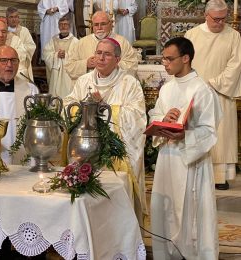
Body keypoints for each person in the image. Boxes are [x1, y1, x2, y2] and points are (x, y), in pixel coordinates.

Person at [149, 37, 221, 259]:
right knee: (165, 210)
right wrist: (163, 118)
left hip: (191, 163)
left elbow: (209, 132)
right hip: (167, 159)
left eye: (169, 59)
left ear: (186, 58)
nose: (165, 63)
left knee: (191, 214)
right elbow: (154, 115)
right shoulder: (167, 88)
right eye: (163, 59)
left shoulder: (202, 90)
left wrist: (185, 134)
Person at [64, 38, 147, 223]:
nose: (100, 58)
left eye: (107, 54)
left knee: (115, 211)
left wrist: (104, 107)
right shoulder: (84, 81)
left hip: (117, 155)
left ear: (117, 59)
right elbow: (69, 105)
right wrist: (85, 109)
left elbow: (137, 118)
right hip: (86, 152)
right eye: (98, 53)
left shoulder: (129, 83)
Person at [184, 0, 241, 190]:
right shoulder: (191, 35)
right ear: (205, 16)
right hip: (196, 93)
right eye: (216, 19)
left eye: (223, 18)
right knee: (198, 131)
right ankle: (195, 171)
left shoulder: (234, 36)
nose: (220, 23)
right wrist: (194, 85)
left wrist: (213, 84)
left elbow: (235, 66)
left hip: (221, 93)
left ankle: (220, 177)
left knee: (221, 134)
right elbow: (184, 63)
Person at [65, 11, 138, 83]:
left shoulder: (122, 42)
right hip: (89, 88)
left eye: (103, 24)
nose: (99, 28)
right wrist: (86, 64)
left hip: (114, 88)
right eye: (96, 25)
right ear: (92, 26)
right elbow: (69, 66)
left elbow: (132, 66)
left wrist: (111, 64)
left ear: (110, 24)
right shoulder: (81, 43)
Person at [42, 15, 78, 98]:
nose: (63, 26)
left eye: (65, 24)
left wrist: (66, 55)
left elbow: (77, 58)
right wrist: (56, 55)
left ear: (69, 26)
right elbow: (46, 54)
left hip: (68, 75)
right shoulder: (53, 40)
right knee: (54, 97)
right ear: (58, 26)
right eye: (61, 24)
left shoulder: (75, 41)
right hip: (55, 74)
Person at [6, 7, 36, 80]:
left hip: (21, 64)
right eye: (11, 17)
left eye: (16, 17)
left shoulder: (24, 31)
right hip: (6, 64)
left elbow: (31, 46)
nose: (14, 19)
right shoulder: (4, 31)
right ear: (7, 18)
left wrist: (18, 50)